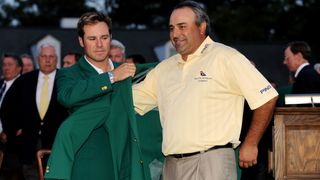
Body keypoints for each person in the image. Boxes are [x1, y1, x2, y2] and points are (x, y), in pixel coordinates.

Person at [132, 1, 278, 180]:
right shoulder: (164, 68)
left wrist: (251, 143)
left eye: (182, 27)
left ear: (202, 27)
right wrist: (107, 79)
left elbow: (267, 98)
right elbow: (129, 100)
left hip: (211, 161)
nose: (175, 34)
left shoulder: (226, 57)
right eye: (171, 28)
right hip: (171, 165)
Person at [44, 12, 149, 180]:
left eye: (104, 37)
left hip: (128, 163)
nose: (99, 44)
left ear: (111, 38)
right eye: (92, 39)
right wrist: (111, 77)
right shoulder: (69, 74)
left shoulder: (128, 70)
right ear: (81, 41)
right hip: (89, 167)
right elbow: (67, 97)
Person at [10, 44, 69, 180]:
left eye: (51, 57)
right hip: (29, 143)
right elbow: (8, 107)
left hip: (57, 143)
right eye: (44, 56)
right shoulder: (24, 80)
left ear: (56, 59)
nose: (47, 60)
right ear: (38, 59)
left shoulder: (66, 80)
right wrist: (14, 128)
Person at [0, 53, 24, 180]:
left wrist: (8, 131)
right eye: (4, 65)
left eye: (10, 65)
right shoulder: (1, 84)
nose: (6, 68)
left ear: (19, 68)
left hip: (14, 143)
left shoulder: (25, 86)